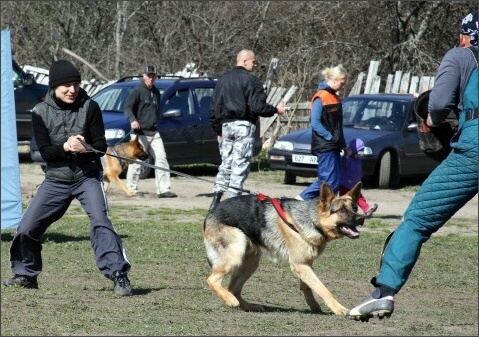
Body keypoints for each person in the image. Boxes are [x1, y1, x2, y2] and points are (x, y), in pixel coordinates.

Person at [347, 10, 478, 321]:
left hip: (474, 149)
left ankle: (384, 292)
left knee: (417, 220)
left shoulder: (461, 56)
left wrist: (433, 120)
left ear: (466, 35)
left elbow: (439, 103)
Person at [3, 60, 132, 296]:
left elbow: (102, 146)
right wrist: (65, 146)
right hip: (56, 179)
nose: (72, 90)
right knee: (26, 228)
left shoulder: (90, 107)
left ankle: (118, 275)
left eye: (75, 84)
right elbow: (45, 153)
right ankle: (26, 274)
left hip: (87, 177)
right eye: (66, 85)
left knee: (101, 220)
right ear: (54, 87)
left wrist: (87, 148)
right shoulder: (40, 112)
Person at [209, 49, 286, 211]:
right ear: (245, 62)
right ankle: (233, 204)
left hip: (226, 126)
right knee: (240, 165)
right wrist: (275, 109)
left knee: (225, 165)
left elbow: (214, 108)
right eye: (254, 61)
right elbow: (258, 107)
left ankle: (215, 201)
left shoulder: (222, 80)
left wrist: (218, 130)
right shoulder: (251, 80)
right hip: (243, 125)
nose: (256, 65)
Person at [296, 64, 352, 200]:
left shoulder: (336, 98)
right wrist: (329, 136)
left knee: (335, 181)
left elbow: (338, 127)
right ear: (333, 80)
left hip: (334, 145)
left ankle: (324, 208)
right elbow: (315, 122)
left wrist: (344, 146)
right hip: (325, 145)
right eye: (341, 83)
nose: (343, 86)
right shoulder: (320, 97)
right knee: (327, 182)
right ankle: (300, 199)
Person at [124, 65, 177, 198]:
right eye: (149, 76)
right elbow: (128, 107)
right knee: (137, 161)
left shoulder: (156, 92)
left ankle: (163, 189)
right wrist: (133, 120)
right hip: (139, 134)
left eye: (153, 76)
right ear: (144, 76)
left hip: (154, 132)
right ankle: (131, 189)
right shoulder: (137, 91)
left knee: (161, 158)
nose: (151, 78)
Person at [339, 138, 378, 217]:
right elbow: (343, 165)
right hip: (345, 184)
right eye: (357, 152)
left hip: (355, 184)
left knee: (359, 197)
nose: (359, 154)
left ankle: (367, 209)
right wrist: (347, 156)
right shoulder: (346, 159)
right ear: (352, 151)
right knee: (344, 199)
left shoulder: (358, 160)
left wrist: (360, 178)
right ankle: (343, 211)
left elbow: (358, 170)